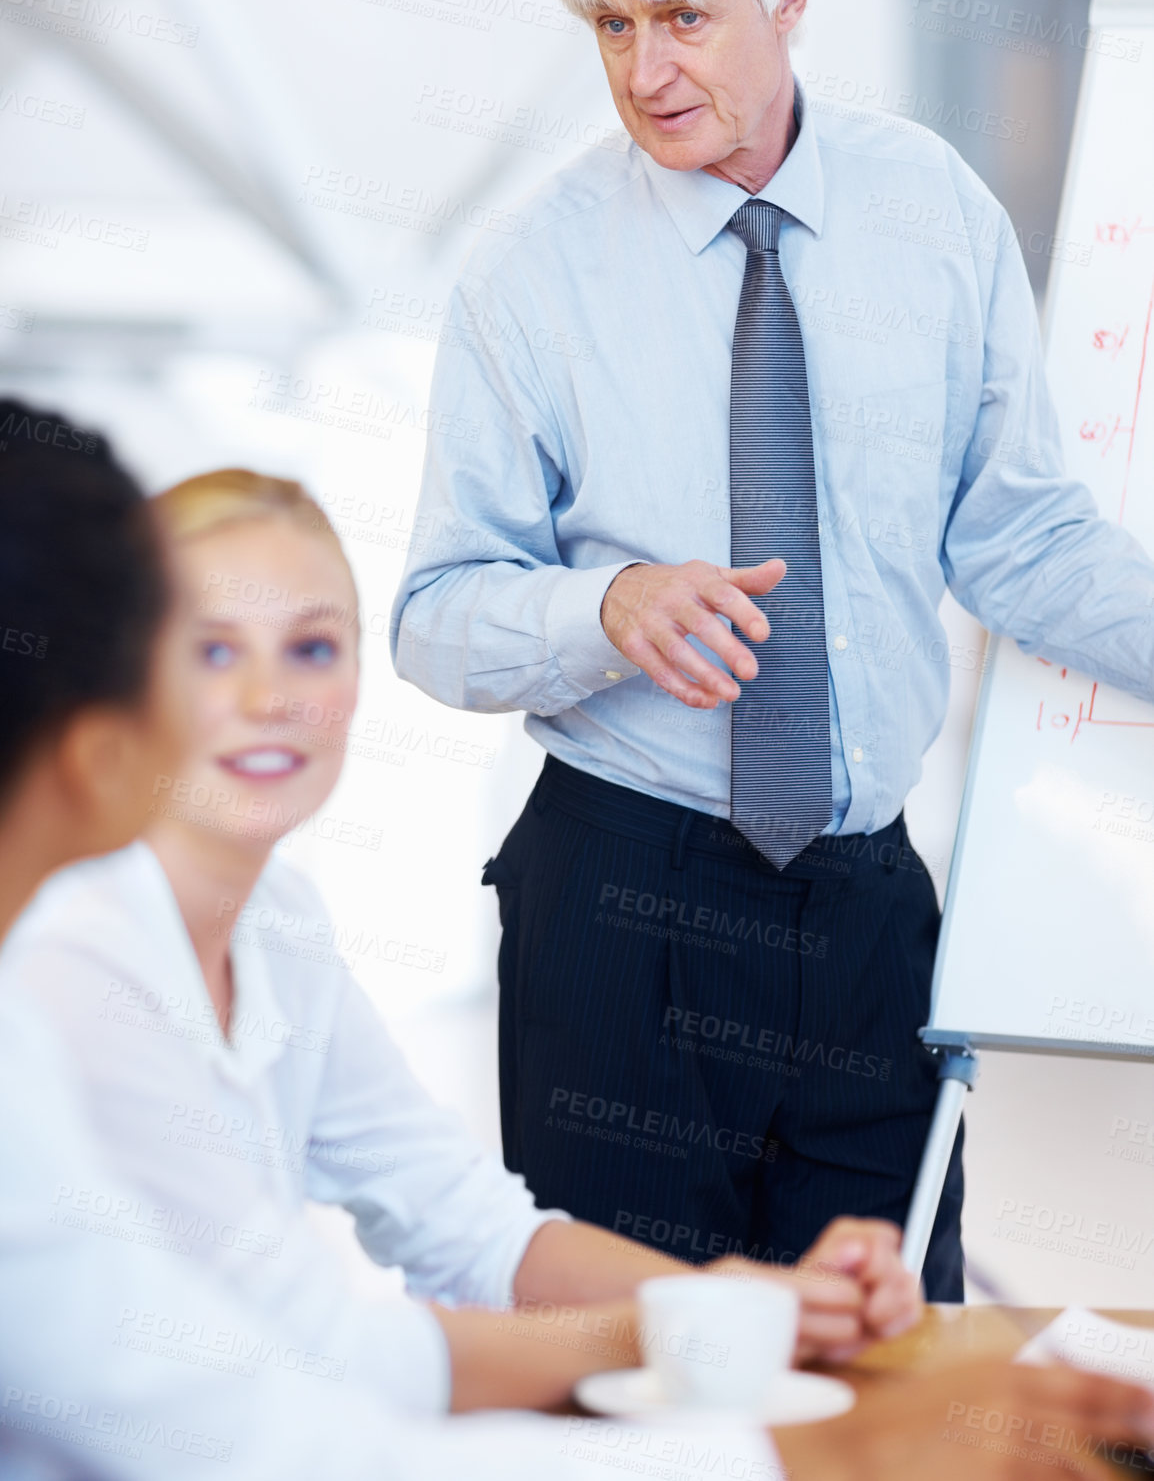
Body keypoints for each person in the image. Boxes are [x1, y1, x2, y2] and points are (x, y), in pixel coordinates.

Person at [0, 400, 1151, 1481]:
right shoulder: (68, 965)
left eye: (311, 647)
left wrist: (740, 1318)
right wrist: (809, 1450)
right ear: (117, 693)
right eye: (210, 650)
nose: (267, 697)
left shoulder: (276, 920)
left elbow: (439, 1236)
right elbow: (277, 1420)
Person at [390, 0, 1154, 1302]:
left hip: (868, 912)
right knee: (630, 1384)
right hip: (620, 908)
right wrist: (602, 607)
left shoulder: (930, 211)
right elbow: (432, 614)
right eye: (610, 25)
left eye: (683, 15)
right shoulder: (527, 274)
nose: (643, 70)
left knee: (883, 1370)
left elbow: (1015, 534)